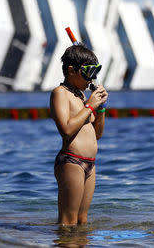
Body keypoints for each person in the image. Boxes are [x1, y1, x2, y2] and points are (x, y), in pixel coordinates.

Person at [50, 44, 108, 226]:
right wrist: (90, 105)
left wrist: (101, 107)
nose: (92, 78)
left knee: (82, 222)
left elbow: (97, 134)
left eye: (95, 72)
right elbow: (66, 130)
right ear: (71, 70)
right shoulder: (60, 93)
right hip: (71, 162)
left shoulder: (82, 96)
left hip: (90, 164)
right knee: (68, 223)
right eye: (88, 72)